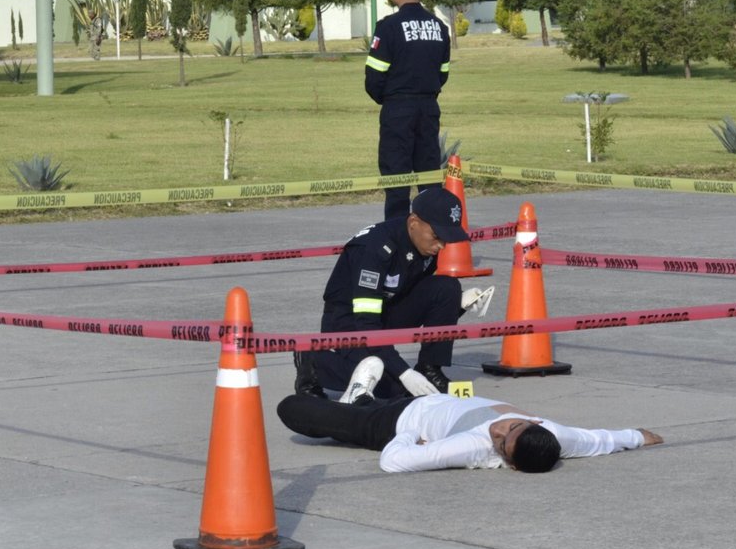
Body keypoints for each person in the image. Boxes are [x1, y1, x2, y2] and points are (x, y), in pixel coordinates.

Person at [278, 358, 664, 472]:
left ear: (507, 462)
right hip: (432, 399)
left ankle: (353, 404)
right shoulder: (558, 436)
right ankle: (359, 397)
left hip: (394, 425)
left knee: (293, 410)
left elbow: (394, 463)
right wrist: (638, 436)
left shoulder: (471, 448)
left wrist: (412, 436)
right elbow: (601, 440)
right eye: (512, 427)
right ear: (534, 424)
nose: (498, 430)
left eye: (501, 444)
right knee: (370, 393)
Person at [294, 184, 492, 403]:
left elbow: (419, 297)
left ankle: (429, 370)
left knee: (447, 288)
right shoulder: (375, 250)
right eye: (437, 236)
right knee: (391, 387)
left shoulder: (424, 245)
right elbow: (366, 325)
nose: (441, 245)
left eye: (446, 238)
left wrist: (458, 304)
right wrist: (403, 373)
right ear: (414, 222)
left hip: (385, 309)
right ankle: (313, 360)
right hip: (348, 322)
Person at [366, 0, 451, 220]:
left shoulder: (389, 27)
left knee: (397, 182)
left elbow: (374, 77)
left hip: (398, 111)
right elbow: (443, 73)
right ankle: (433, 241)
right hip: (428, 109)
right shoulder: (440, 28)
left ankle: (398, 241)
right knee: (429, 180)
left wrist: (389, 100)